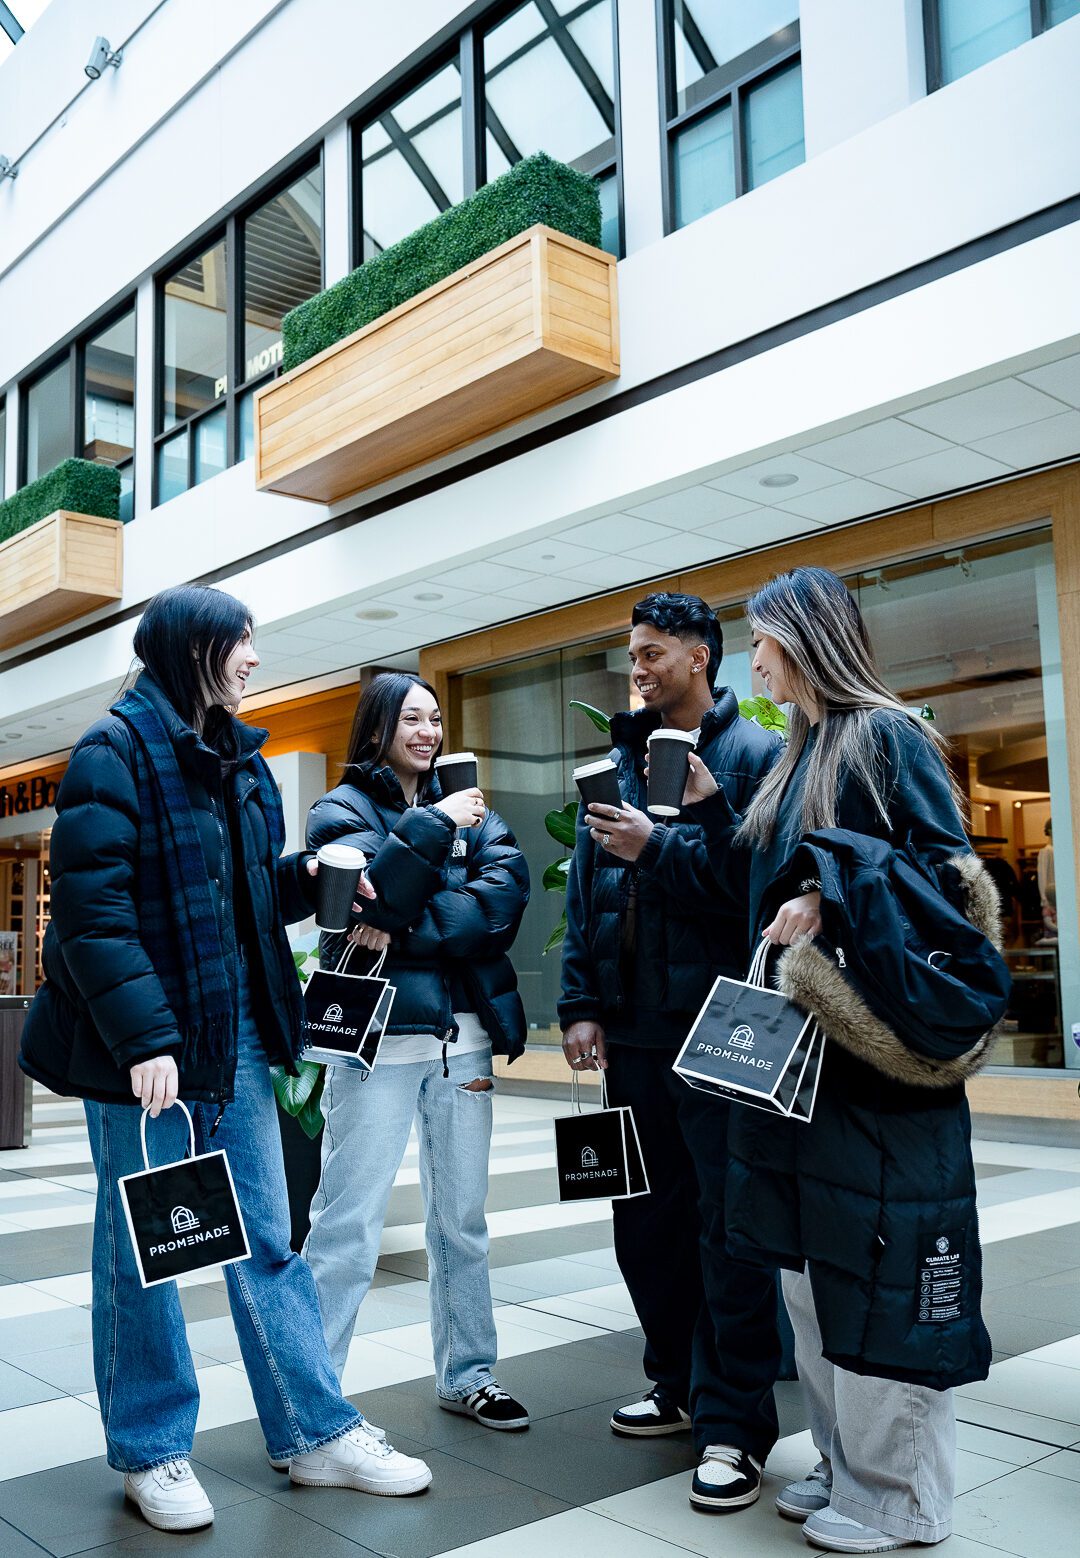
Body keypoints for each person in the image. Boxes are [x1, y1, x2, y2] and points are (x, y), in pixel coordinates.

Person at [19, 586, 432, 1533]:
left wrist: (315, 880)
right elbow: (92, 918)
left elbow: (244, 900)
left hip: (238, 1037)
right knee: (147, 1249)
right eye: (242, 645)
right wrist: (145, 1040)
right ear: (194, 649)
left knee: (271, 1239)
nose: (253, 661)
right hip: (146, 1053)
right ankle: (153, 1449)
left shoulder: (238, 768)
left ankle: (312, 1430)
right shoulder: (111, 754)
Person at [683, 566, 997, 1554]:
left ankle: (902, 1498)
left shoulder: (885, 735)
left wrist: (829, 885)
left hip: (878, 1070)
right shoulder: (800, 750)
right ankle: (843, 1464)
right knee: (814, 1276)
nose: (756, 657)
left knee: (879, 1277)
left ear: (809, 638)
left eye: (766, 639)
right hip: (806, 1069)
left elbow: (949, 883)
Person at [558, 592, 784, 1512]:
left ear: (701, 656)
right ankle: (677, 1384)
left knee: (728, 1225)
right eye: (633, 655)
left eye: (654, 652)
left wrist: (668, 842)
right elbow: (583, 891)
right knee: (643, 1221)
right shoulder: (616, 760)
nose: (639, 669)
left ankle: (734, 1422)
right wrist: (578, 1001)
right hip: (633, 1031)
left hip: (724, 1027)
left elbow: (762, 893)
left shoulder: (756, 757)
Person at [304, 674, 532, 1431]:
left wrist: (403, 924)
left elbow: (497, 910)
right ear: (377, 727)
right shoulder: (340, 811)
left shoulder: (480, 813)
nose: (429, 731)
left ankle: (469, 1373)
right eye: (412, 718)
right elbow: (369, 896)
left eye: (436, 718)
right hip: (375, 1045)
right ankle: (313, 1395)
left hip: (461, 1044)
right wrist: (432, 830)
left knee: (462, 1220)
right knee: (346, 1224)